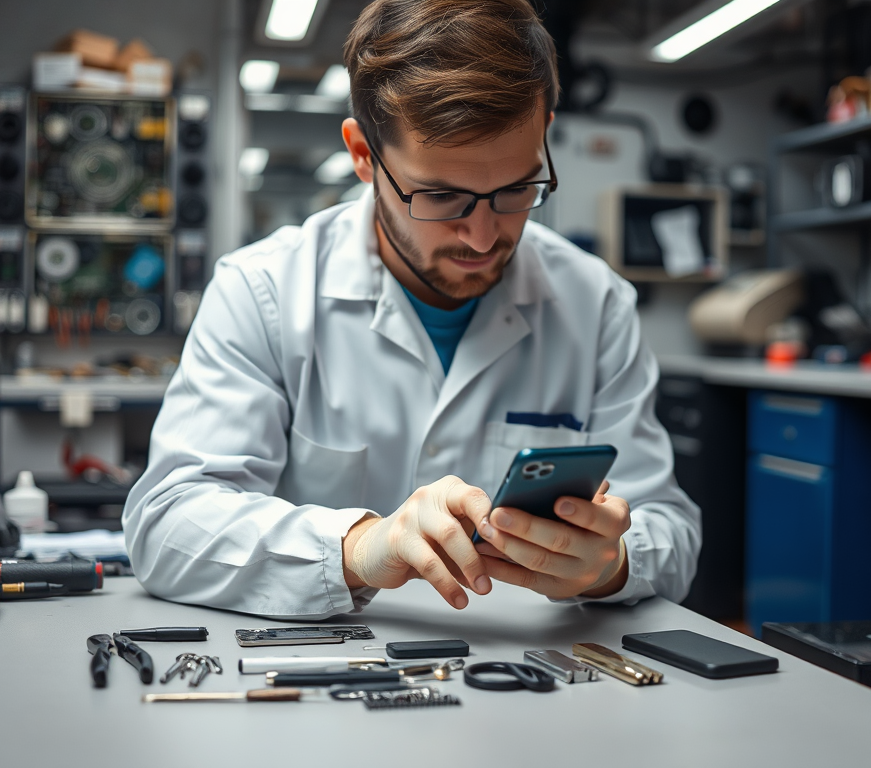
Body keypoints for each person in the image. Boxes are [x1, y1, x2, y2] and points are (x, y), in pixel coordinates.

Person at [123, 0, 700, 619]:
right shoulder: (262, 291)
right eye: (442, 196)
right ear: (364, 155)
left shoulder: (596, 303)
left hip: (540, 679)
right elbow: (167, 522)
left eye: (515, 190)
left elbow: (671, 531)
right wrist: (358, 547)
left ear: (545, 135)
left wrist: (611, 565)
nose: (482, 238)